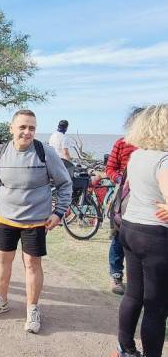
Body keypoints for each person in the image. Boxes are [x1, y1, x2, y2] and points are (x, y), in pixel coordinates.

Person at [0, 109, 72, 334]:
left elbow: (65, 183)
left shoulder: (45, 152)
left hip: (35, 221)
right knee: (3, 260)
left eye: (32, 127)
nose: (27, 132)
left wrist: (58, 212)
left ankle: (32, 308)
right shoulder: (1, 152)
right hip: (5, 218)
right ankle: (1, 300)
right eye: (22, 127)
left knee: (32, 264)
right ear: (12, 128)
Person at [111, 104, 168, 357]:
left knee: (134, 295)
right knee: (156, 306)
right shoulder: (164, 160)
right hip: (155, 236)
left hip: (131, 229)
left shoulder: (138, 156)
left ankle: (126, 348)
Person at [105, 107, 145, 295]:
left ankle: (141, 278)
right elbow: (110, 168)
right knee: (118, 236)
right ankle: (116, 275)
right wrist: (121, 180)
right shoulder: (121, 143)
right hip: (123, 196)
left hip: (146, 197)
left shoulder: (154, 147)